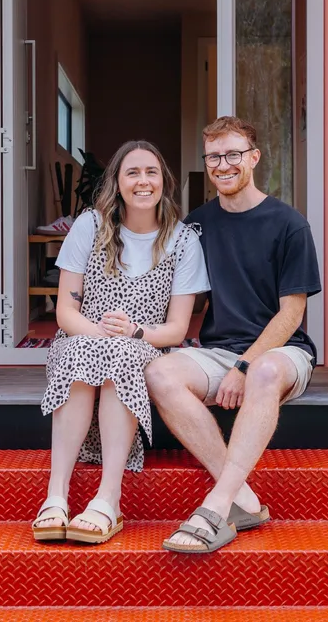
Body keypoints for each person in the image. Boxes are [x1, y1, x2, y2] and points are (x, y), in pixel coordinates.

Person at [145, 116, 321, 553]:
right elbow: (188, 297)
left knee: (262, 374)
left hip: (281, 352)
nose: (223, 165)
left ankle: (218, 503)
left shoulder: (289, 224)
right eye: (214, 157)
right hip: (217, 350)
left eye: (233, 154)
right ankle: (244, 497)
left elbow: (291, 313)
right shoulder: (197, 225)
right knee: (159, 374)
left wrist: (244, 366)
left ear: (254, 157)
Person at [33, 140, 209, 545]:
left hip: (145, 343)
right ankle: (56, 496)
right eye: (132, 172)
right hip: (82, 335)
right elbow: (65, 314)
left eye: (151, 172)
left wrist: (133, 333)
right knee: (86, 350)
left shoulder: (184, 241)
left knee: (122, 355)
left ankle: (107, 500)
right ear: (117, 182)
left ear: (164, 181)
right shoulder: (89, 227)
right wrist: (101, 335)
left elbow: (177, 330)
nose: (143, 181)